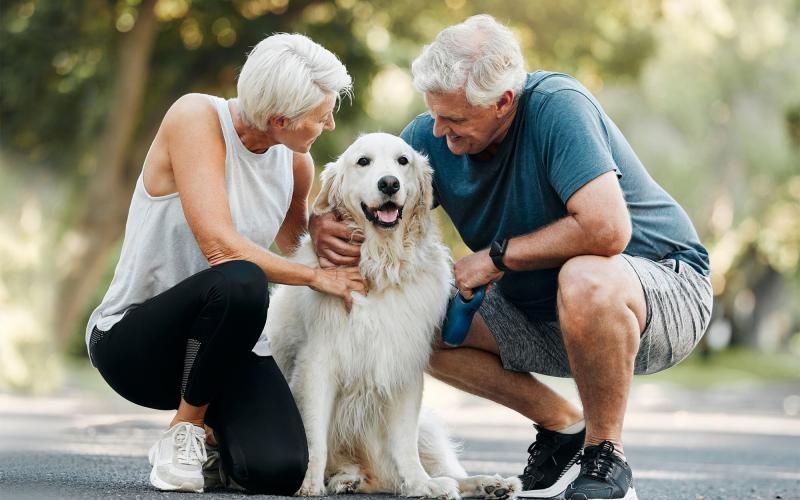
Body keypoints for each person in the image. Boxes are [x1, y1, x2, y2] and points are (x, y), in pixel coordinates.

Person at [310, 15, 712, 500]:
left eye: (455, 119)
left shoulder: (558, 107)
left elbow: (607, 229)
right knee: (420, 323)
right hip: (542, 308)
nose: (438, 131)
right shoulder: (431, 135)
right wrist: (320, 223)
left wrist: (496, 258)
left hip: (659, 294)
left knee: (585, 276)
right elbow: (362, 192)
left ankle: (605, 455)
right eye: (435, 114)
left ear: (503, 102)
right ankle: (563, 425)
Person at [85, 33, 366, 494]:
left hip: (223, 351)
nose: (330, 124)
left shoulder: (296, 163)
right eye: (321, 117)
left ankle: (219, 445)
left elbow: (294, 245)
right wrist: (317, 277)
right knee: (241, 279)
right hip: (137, 347)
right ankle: (185, 430)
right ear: (280, 120)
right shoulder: (196, 116)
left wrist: (321, 232)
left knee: (279, 471)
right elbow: (221, 247)